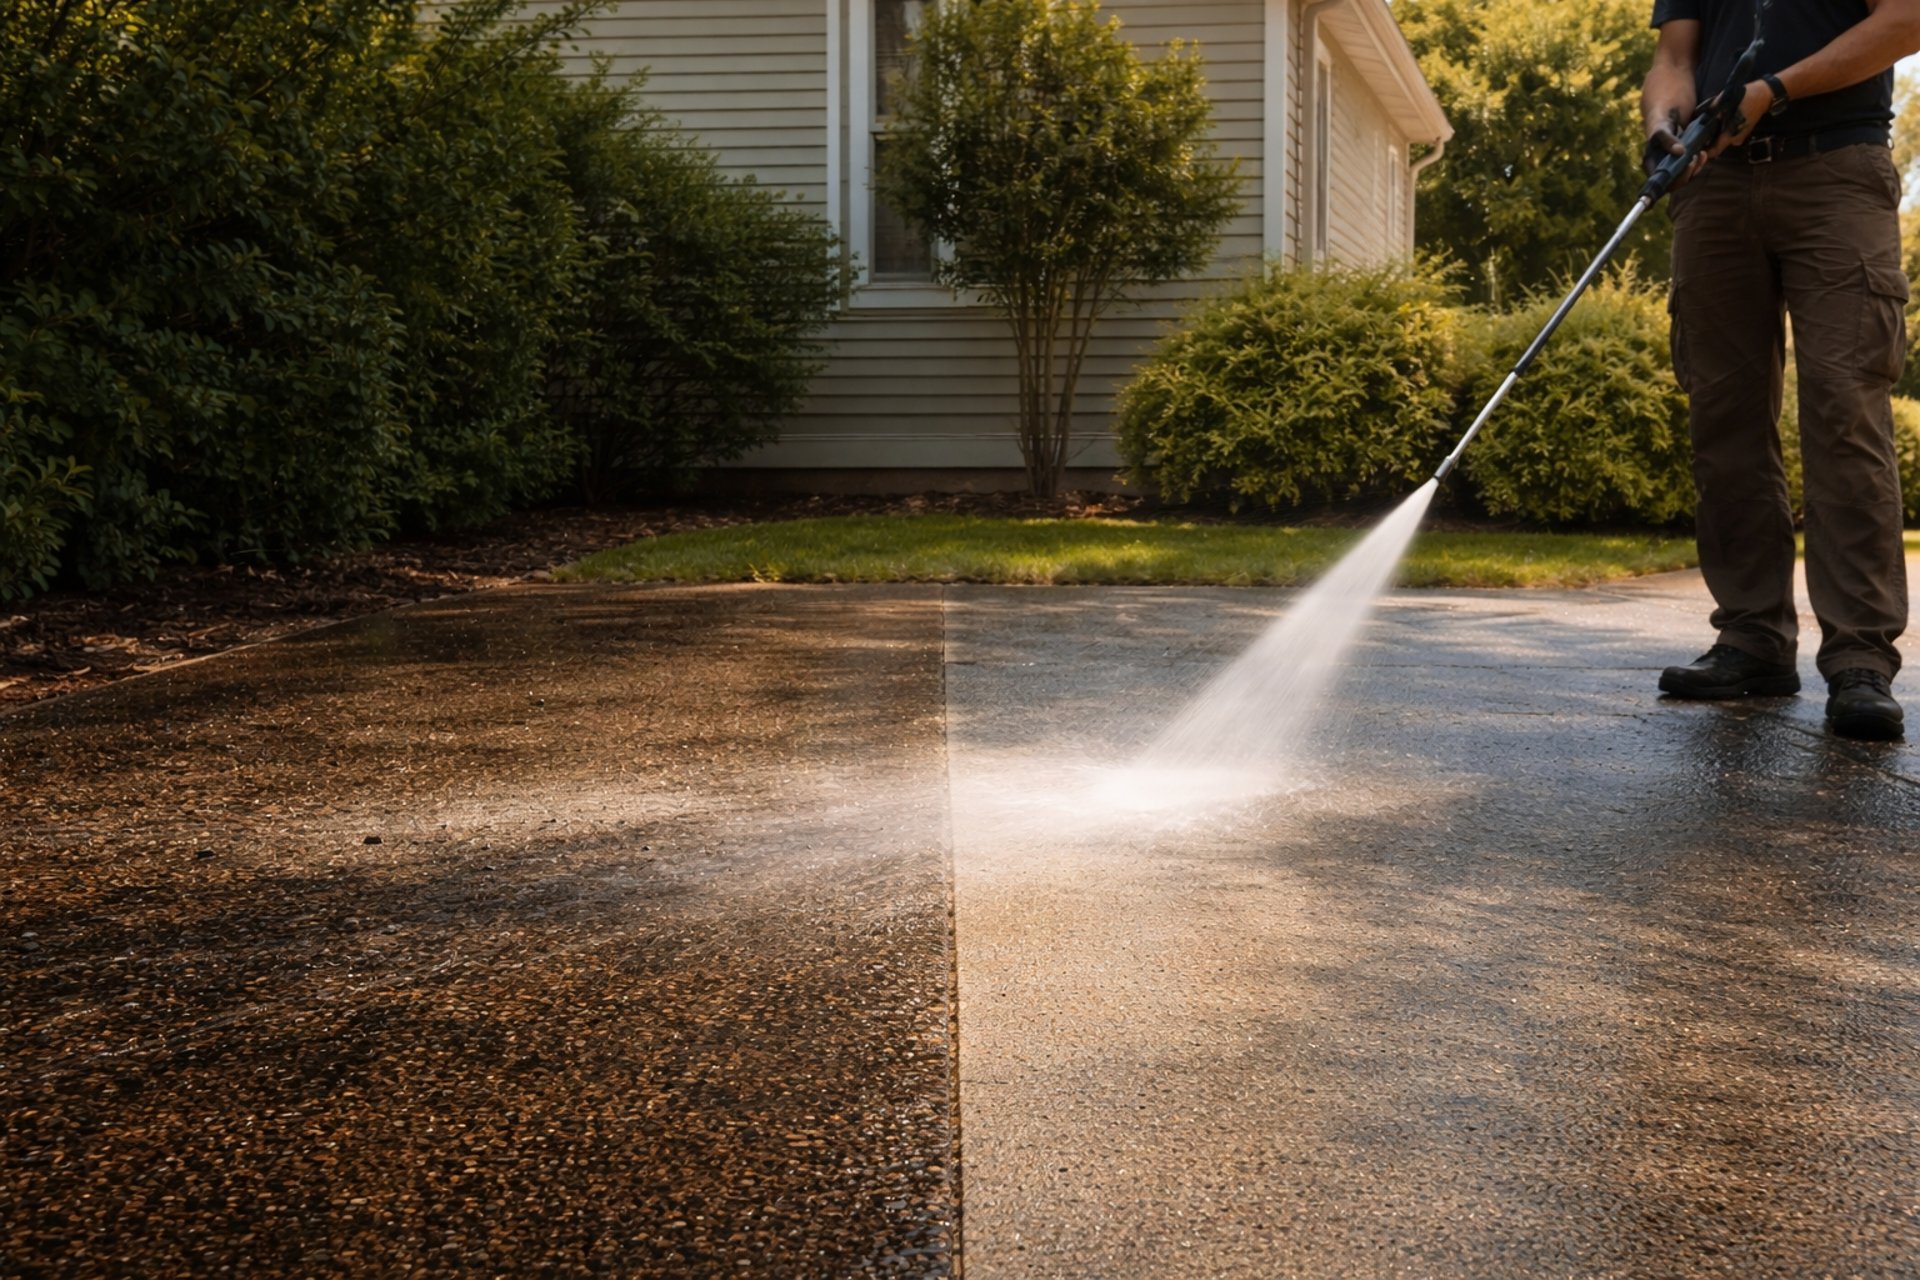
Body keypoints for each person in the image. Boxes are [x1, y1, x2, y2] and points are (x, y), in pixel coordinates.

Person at [1643, 0, 1920, 740]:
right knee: (1722, 417)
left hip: (1836, 171)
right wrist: (1662, 127)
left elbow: (1906, 21)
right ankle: (1751, 640)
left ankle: (1859, 658)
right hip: (1715, 182)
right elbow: (1675, 58)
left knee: (1843, 411)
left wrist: (1776, 90)